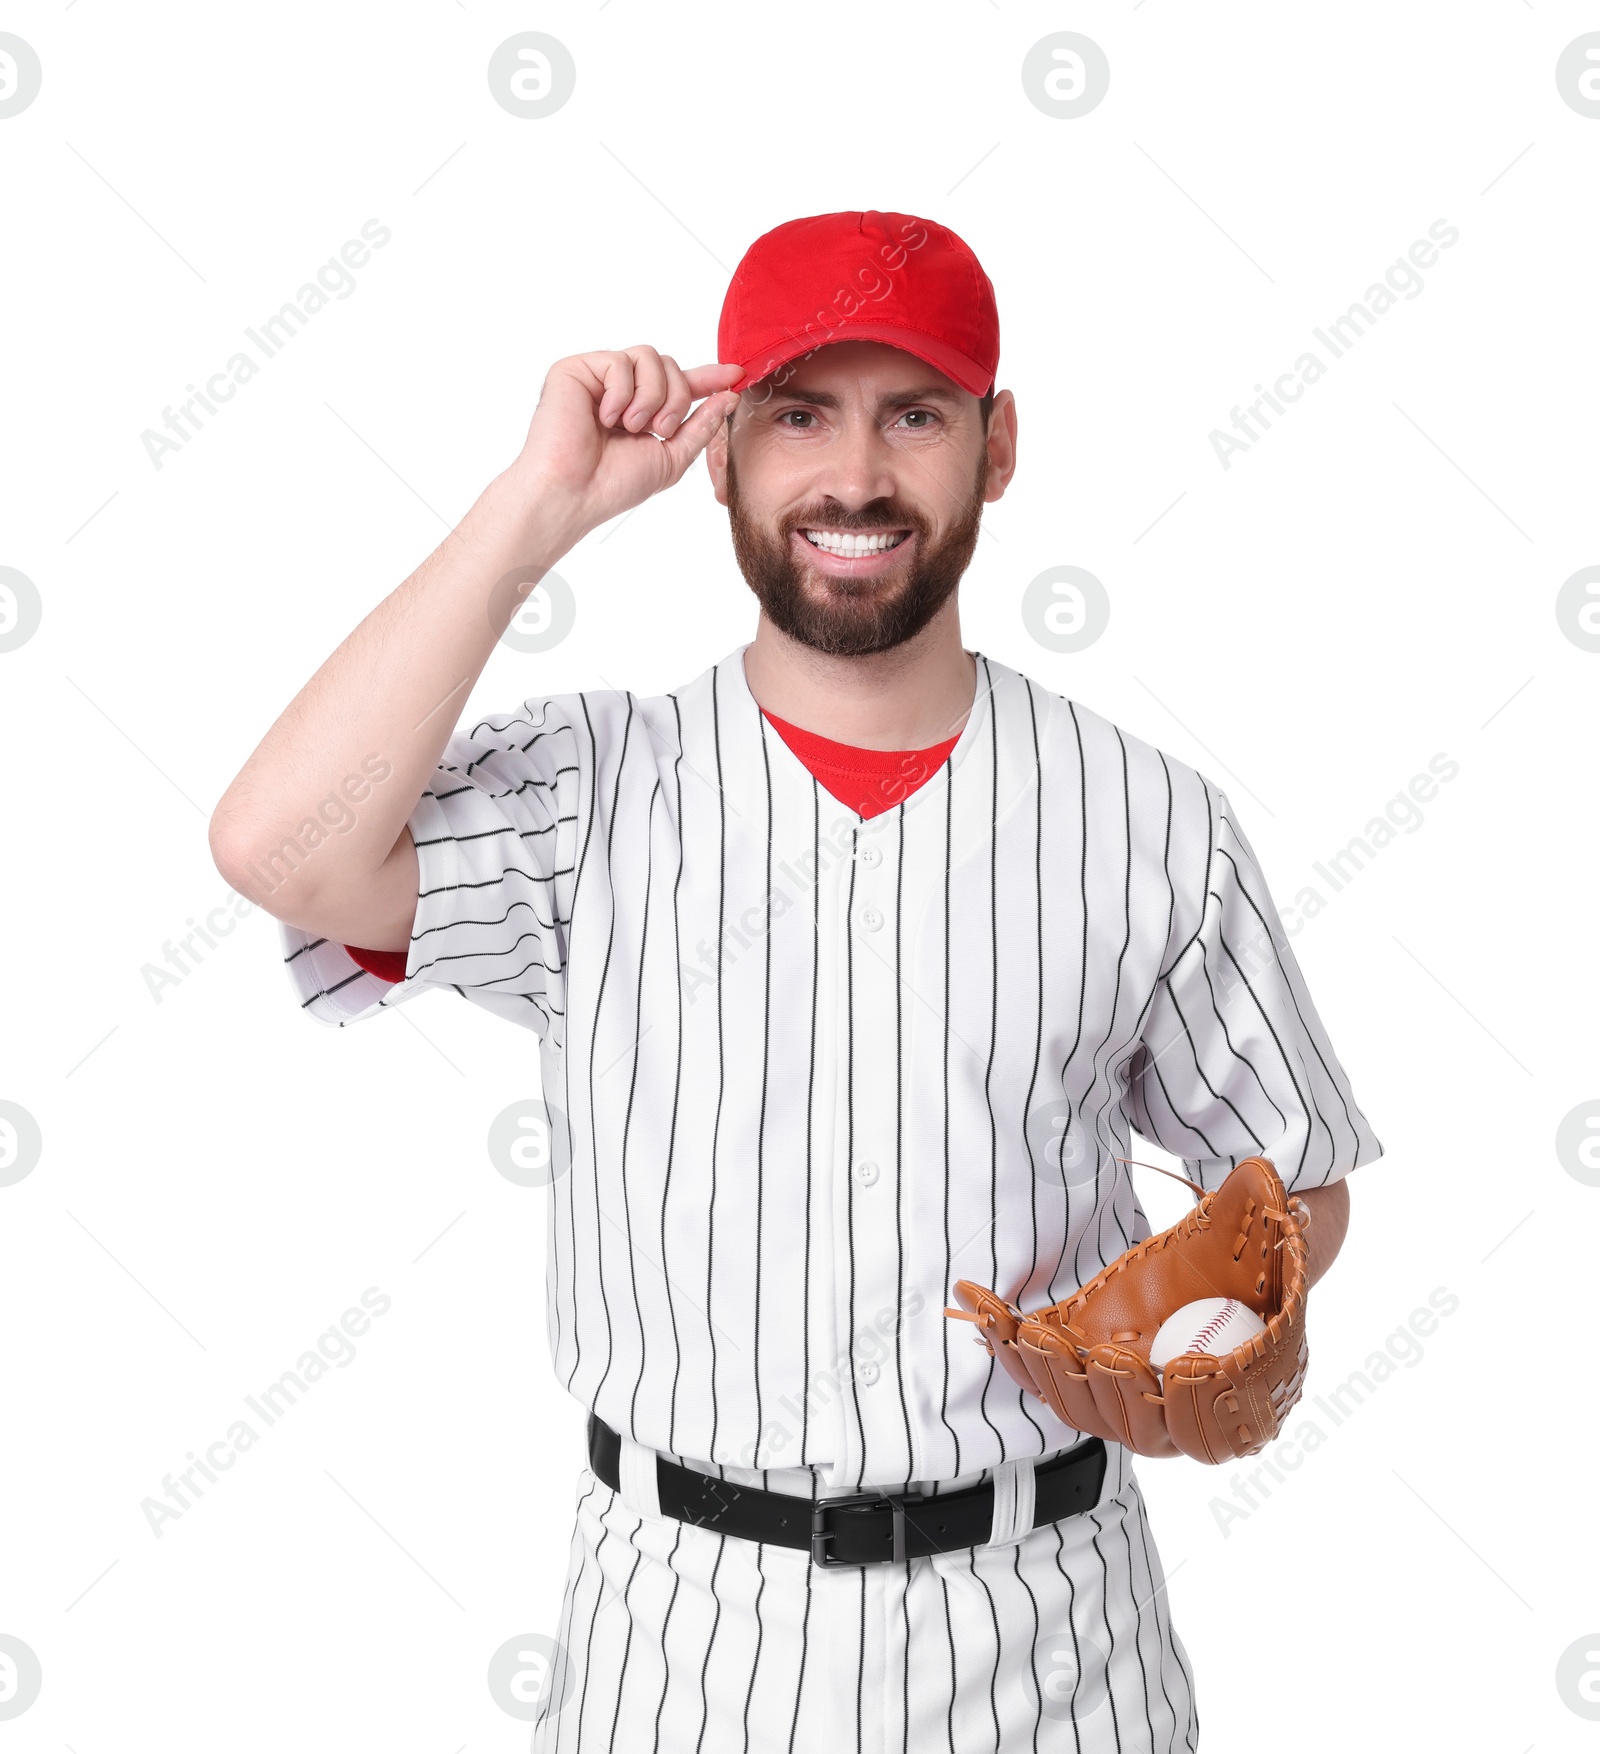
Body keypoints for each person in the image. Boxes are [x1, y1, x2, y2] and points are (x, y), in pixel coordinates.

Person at [209, 210, 1380, 1751]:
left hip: (1053, 1633)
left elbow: (1294, 1172)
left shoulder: (1147, 814)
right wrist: (535, 505)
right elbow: (282, 848)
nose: (855, 475)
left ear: (997, 445)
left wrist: (1230, 1298)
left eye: (916, 412)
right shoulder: (592, 788)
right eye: (798, 415)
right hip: (679, 1641)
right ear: (720, 454)